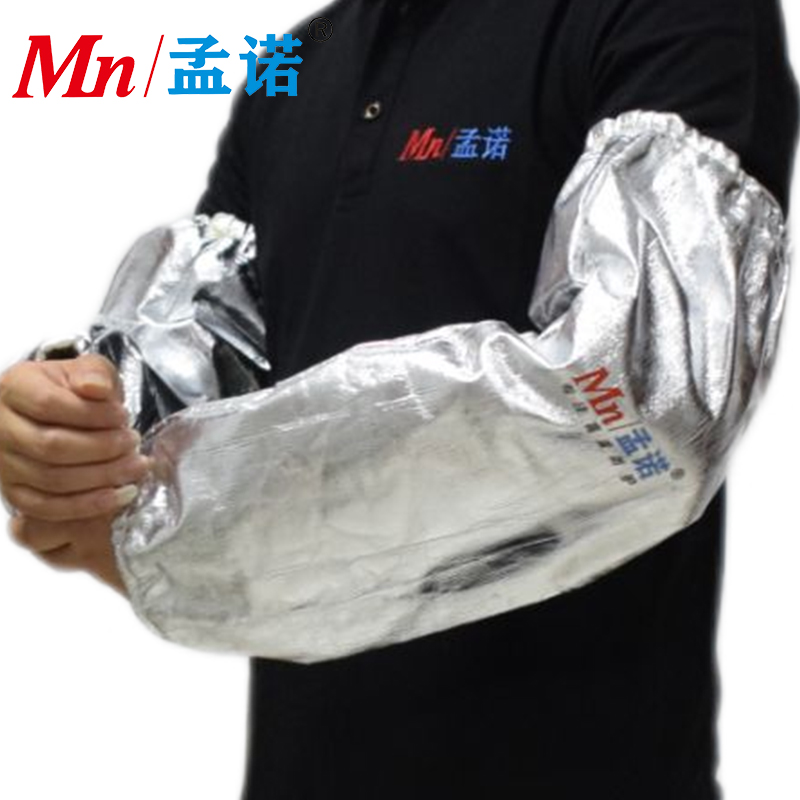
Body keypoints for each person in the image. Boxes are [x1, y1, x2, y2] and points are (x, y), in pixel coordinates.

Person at [1, 0, 798, 798]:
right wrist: (74, 432)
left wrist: (179, 552)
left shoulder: (668, 15)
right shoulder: (297, 63)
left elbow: (641, 403)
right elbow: (213, 363)